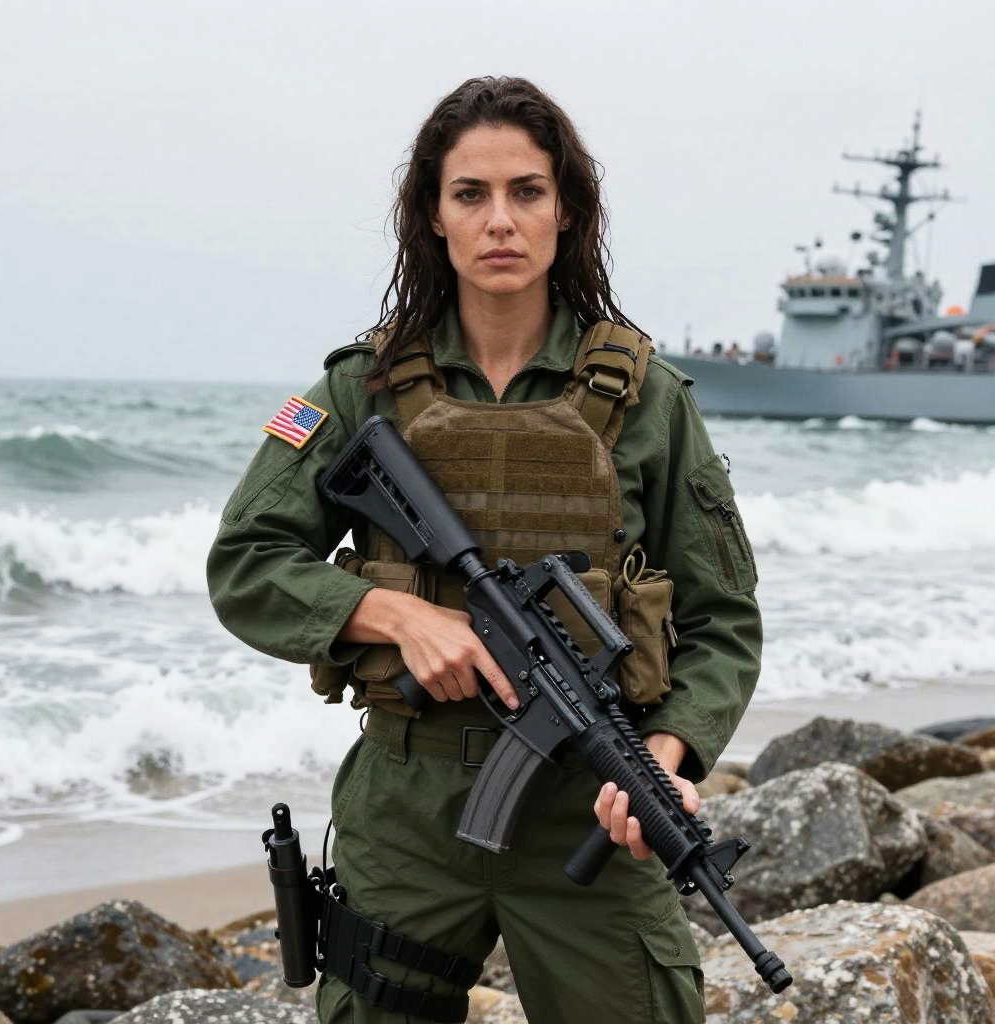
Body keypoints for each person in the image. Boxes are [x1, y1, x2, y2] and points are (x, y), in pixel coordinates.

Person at [207, 76, 761, 1024]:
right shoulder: (357, 390)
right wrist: (395, 614)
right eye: (471, 194)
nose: (500, 221)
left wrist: (666, 754)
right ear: (433, 215)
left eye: (527, 192)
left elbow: (723, 621)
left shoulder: (650, 399)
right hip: (410, 805)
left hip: (588, 809)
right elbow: (248, 562)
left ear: (567, 211)